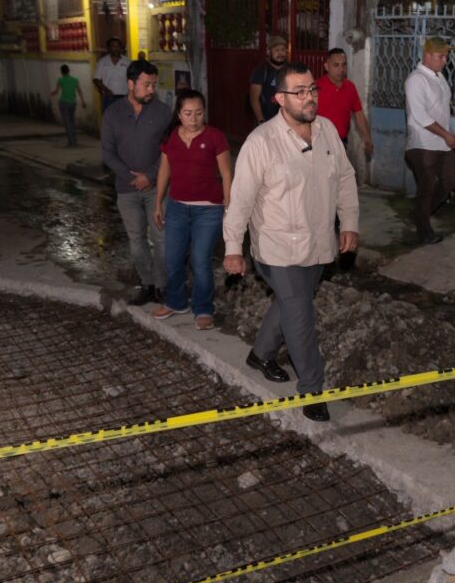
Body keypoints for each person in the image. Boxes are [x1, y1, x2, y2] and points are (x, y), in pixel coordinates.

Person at [223, 62, 360, 422]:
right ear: (279, 99)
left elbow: (345, 177)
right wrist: (233, 248)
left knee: (289, 305)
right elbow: (241, 201)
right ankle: (312, 389)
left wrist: (349, 222)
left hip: (318, 244)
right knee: (300, 314)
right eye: (299, 92)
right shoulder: (261, 142)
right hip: (277, 247)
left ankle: (261, 354)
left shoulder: (328, 130)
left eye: (312, 89)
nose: (309, 97)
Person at [152, 90, 233, 331]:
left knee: (200, 261)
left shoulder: (215, 137)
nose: (194, 118)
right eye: (188, 113)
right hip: (177, 208)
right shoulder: (171, 138)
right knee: (173, 259)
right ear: (179, 114)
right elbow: (164, 171)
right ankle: (176, 301)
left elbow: (227, 173)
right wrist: (158, 202)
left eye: (198, 113)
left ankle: (204, 307)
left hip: (208, 211)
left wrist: (228, 206)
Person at [102, 60, 172, 304]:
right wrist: (131, 177)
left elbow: (169, 150)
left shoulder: (163, 113)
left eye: (154, 84)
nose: (152, 89)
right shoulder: (113, 114)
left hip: (158, 188)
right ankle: (147, 283)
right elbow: (108, 152)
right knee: (137, 240)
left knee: (162, 239)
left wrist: (150, 176)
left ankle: (163, 286)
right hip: (126, 189)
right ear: (131, 84)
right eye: (147, 84)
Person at [403, 37, 455, 245]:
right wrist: (447, 135)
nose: (445, 60)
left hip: (441, 142)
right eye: (441, 56)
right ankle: (424, 231)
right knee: (427, 186)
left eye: (446, 56)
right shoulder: (416, 80)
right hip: (422, 143)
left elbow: (442, 110)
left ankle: (420, 213)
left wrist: (449, 134)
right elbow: (421, 116)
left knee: (450, 181)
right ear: (427, 55)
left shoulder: (439, 78)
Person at [315, 48, 374, 160]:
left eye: (343, 65)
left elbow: (359, 115)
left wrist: (367, 138)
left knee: (339, 175)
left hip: (341, 143)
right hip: (319, 143)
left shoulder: (350, 87)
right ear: (327, 67)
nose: (341, 69)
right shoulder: (316, 87)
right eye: (336, 65)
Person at [248, 35, 288, 124]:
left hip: (286, 120)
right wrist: (260, 120)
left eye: (283, 50)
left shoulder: (290, 70)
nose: (280, 53)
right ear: (269, 52)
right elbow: (254, 98)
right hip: (266, 120)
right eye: (276, 50)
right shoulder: (261, 71)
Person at [49, 64, 86, 147]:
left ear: (61, 72)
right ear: (69, 71)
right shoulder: (75, 80)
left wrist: (52, 93)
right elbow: (79, 90)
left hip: (64, 103)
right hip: (72, 103)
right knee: (72, 122)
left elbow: (56, 91)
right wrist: (83, 100)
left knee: (67, 123)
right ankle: (74, 140)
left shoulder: (60, 80)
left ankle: (71, 142)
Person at [93, 37, 128, 111]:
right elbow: (96, 79)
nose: (116, 48)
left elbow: (132, 78)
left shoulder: (127, 62)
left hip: (124, 98)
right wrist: (106, 90)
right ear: (109, 48)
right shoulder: (102, 62)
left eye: (118, 46)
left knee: (124, 120)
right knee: (109, 120)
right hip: (109, 99)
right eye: (113, 46)